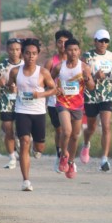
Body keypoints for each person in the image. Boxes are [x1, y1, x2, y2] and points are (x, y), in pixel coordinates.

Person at [7, 38, 57, 191]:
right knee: (24, 142)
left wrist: (40, 94)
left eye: (34, 53)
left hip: (38, 112)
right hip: (22, 111)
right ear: (22, 54)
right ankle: (26, 181)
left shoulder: (43, 72)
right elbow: (10, 85)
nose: (31, 56)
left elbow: (54, 89)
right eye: (28, 53)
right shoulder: (15, 71)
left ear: (38, 55)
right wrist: (12, 88)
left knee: (39, 147)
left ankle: (37, 149)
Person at [52, 37, 95, 179]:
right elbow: (49, 81)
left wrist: (87, 79)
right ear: (65, 51)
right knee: (66, 131)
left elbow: (92, 87)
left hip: (78, 105)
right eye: (70, 50)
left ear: (79, 51)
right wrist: (54, 88)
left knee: (75, 136)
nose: (73, 52)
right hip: (62, 103)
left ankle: (71, 162)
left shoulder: (84, 67)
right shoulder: (59, 67)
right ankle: (63, 155)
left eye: (76, 50)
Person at [81, 29, 112, 172]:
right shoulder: (87, 57)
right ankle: (86, 143)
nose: (103, 43)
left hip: (107, 95)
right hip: (91, 95)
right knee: (91, 127)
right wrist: (94, 76)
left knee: (106, 125)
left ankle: (104, 159)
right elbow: (82, 75)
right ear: (95, 41)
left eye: (106, 41)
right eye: (101, 41)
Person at [0, 38, 24, 169]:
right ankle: (12, 157)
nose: (14, 52)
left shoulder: (25, 65)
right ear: (7, 50)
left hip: (23, 102)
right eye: (11, 49)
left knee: (22, 131)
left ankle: (22, 149)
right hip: (6, 102)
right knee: (8, 129)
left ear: (21, 50)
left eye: (17, 49)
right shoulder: (2, 66)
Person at [45, 30, 72, 171]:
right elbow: (43, 81)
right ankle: (60, 155)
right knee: (60, 130)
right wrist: (54, 88)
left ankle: (68, 158)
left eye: (65, 42)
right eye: (60, 42)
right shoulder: (51, 62)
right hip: (54, 101)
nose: (63, 45)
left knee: (71, 131)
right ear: (56, 44)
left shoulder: (77, 62)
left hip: (72, 101)